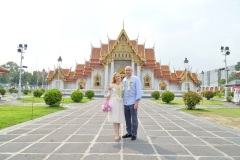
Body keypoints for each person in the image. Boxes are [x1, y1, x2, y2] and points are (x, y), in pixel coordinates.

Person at [122, 66, 142, 141]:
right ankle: (129, 132)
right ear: (125, 71)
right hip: (125, 102)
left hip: (133, 102)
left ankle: (134, 134)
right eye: (126, 70)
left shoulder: (136, 79)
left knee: (134, 119)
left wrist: (137, 102)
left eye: (129, 70)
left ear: (132, 71)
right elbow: (122, 91)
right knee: (127, 119)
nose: (128, 71)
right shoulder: (124, 80)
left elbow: (139, 91)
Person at [106, 72, 125, 141]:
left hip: (120, 103)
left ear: (121, 77)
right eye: (116, 76)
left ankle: (118, 133)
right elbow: (108, 94)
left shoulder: (123, 85)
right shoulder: (112, 85)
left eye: (118, 76)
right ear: (114, 78)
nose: (117, 77)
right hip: (113, 102)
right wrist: (106, 103)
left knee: (118, 119)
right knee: (114, 119)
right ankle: (116, 134)